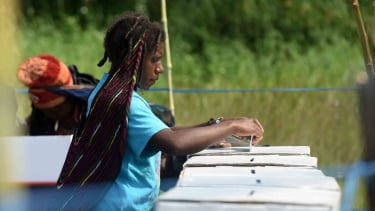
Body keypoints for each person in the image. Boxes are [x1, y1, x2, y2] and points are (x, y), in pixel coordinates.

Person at [51, 11, 264, 210]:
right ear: (131, 58)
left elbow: (162, 133)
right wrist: (231, 126)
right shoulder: (126, 104)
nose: (159, 68)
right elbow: (174, 143)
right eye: (154, 59)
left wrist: (214, 127)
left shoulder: (106, 92)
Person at [16, 54, 98, 135]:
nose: (52, 115)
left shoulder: (96, 108)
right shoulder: (39, 119)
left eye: (56, 110)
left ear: (70, 98)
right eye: (46, 111)